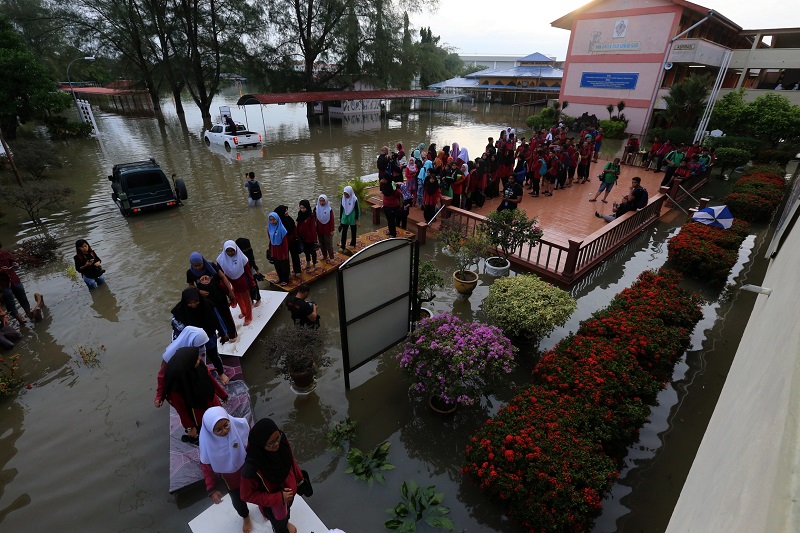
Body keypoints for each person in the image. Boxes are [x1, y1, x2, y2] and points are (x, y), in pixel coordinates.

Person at [241, 419, 307, 533]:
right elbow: (246, 495)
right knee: (278, 521)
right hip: (274, 503)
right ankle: (281, 527)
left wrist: (300, 479)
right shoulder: (251, 469)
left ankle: (286, 522)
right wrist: (278, 498)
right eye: (270, 443)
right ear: (260, 444)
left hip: (288, 494)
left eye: (277, 438)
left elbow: (291, 460)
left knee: (287, 510)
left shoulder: (282, 441)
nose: (276, 444)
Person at [155, 344, 228, 444]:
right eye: (196, 359)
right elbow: (181, 409)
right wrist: (190, 427)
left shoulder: (199, 367)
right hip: (197, 412)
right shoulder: (177, 386)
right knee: (207, 431)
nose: (199, 359)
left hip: (211, 401)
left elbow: (211, 381)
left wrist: (223, 395)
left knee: (220, 423)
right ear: (188, 365)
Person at [199, 407, 253, 533]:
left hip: (250, 470)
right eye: (218, 430)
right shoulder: (207, 446)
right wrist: (211, 488)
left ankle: (265, 507)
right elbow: (206, 468)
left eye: (226, 425)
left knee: (260, 490)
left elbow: (255, 442)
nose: (225, 431)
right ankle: (245, 516)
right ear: (210, 431)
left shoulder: (240, 426)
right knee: (238, 501)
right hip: (231, 479)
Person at [171, 289, 229, 380]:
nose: (193, 305)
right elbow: (176, 328)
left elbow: (216, 319)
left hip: (208, 334)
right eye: (190, 303)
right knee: (195, 359)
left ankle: (221, 373)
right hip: (192, 339)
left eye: (196, 302)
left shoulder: (207, 304)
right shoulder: (179, 310)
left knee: (214, 354)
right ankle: (201, 375)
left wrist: (223, 333)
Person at [186, 252, 238, 342]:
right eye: (195, 266)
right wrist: (199, 292)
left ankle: (232, 334)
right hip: (205, 299)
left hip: (218, 295)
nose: (198, 268)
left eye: (199, 265)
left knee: (226, 315)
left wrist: (230, 291)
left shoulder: (211, 266)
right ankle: (222, 332)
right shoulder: (190, 273)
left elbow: (223, 277)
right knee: (214, 317)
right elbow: (191, 286)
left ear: (203, 262)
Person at [217, 241, 256, 327]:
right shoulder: (220, 260)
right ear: (224, 251)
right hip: (231, 282)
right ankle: (244, 312)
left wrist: (252, 282)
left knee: (246, 299)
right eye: (228, 251)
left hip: (242, 281)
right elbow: (220, 274)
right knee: (237, 298)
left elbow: (248, 271)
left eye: (232, 250)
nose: (230, 253)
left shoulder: (242, 258)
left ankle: (248, 316)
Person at [0, 242, 33, 324]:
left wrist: (15, 264)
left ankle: (29, 315)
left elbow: (14, 262)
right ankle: (21, 321)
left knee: (23, 298)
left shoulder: (4, 253)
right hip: (2, 285)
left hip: (14, 279)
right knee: (10, 303)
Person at [235, 238, 263, 308]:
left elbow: (252, 260)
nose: (247, 250)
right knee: (246, 286)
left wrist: (256, 269)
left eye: (248, 248)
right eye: (245, 249)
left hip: (250, 269)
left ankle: (258, 299)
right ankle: (251, 300)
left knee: (254, 284)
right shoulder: (236, 253)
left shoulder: (249, 250)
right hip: (241, 271)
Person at [275, 206, 301, 277]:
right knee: (285, 259)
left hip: (292, 241)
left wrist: (296, 238)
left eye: (287, 210)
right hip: (283, 244)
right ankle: (287, 273)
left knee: (295, 256)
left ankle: (297, 270)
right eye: (285, 211)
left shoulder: (289, 219)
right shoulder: (278, 223)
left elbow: (294, 228)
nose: (287, 212)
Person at [267, 212, 291, 286]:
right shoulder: (269, 228)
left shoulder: (281, 229)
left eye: (274, 220)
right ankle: (280, 278)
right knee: (277, 264)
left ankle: (286, 279)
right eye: (270, 220)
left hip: (281, 249)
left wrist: (285, 253)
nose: (272, 221)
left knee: (284, 265)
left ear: (277, 219)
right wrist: (270, 249)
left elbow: (285, 243)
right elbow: (270, 239)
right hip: (274, 249)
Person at [295, 200, 317, 271]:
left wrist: (314, 239)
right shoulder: (300, 214)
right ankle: (308, 263)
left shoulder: (311, 216)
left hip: (310, 238)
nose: (302, 209)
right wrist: (297, 234)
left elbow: (313, 228)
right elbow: (298, 225)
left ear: (307, 207)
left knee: (312, 251)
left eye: (304, 208)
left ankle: (314, 265)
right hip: (302, 237)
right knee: (306, 251)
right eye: (301, 208)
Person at [314, 195, 335, 262]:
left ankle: (331, 256)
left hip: (327, 229)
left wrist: (332, 230)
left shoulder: (329, 210)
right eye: (320, 201)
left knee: (328, 243)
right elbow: (313, 219)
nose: (322, 202)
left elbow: (332, 220)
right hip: (319, 229)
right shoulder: (316, 209)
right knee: (321, 243)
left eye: (323, 201)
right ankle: (324, 255)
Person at [340, 185, 360, 251]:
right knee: (344, 232)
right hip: (345, 217)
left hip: (352, 217)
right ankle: (342, 246)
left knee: (353, 231)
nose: (346, 196)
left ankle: (352, 244)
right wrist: (340, 218)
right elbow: (341, 208)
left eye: (347, 194)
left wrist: (357, 219)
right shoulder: (343, 198)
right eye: (345, 194)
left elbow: (357, 210)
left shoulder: (354, 199)